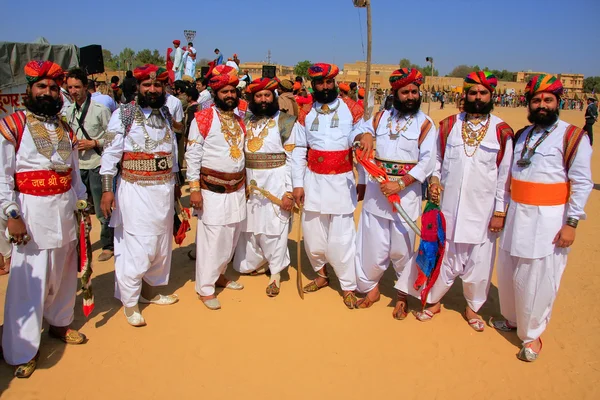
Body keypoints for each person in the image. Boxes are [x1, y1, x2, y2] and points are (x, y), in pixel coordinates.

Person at [493, 75, 592, 362]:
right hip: (516, 215)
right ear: (529, 103)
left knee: (538, 277)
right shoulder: (523, 135)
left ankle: (532, 334)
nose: (542, 104)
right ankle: (513, 320)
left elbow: (582, 182)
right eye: (536, 100)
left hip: (547, 221)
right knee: (510, 270)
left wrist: (571, 223)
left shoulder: (573, 136)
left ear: (558, 102)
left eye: (548, 99)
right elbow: (509, 177)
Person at [0, 60, 88, 378]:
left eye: (53, 87)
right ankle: (21, 348)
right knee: (29, 282)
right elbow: (2, 177)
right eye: (42, 86)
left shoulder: (64, 127)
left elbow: (74, 172)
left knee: (64, 275)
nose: (48, 92)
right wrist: (11, 215)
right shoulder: (13, 125)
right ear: (29, 90)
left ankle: (60, 323)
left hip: (64, 211)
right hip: (30, 213)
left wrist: (81, 203)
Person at [415, 72, 514, 331]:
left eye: (483, 93)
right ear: (465, 95)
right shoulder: (448, 126)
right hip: (449, 209)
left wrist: (500, 212)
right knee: (444, 257)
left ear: (492, 96)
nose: (478, 97)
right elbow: (436, 161)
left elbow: (505, 176)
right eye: (473, 93)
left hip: (483, 212)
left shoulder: (502, 131)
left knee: (479, 264)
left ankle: (472, 309)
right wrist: (434, 180)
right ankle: (434, 301)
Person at [100, 64, 180, 327]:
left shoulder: (166, 112)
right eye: (148, 85)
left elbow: (172, 153)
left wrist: (177, 186)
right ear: (138, 87)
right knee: (137, 245)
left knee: (159, 244)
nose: (153, 89)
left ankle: (149, 292)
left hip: (164, 191)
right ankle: (130, 302)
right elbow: (111, 153)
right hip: (134, 191)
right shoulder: (124, 113)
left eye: (158, 85)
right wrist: (108, 190)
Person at [354, 68, 437, 316]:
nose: (410, 95)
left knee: (402, 249)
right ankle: (371, 289)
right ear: (395, 93)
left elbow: (428, 162)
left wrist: (400, 184)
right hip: (376, 195)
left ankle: (403, 295)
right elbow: (354, 135)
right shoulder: (379, 118)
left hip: (405, 196)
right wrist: (365, 134)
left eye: (414, 91)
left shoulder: (425, 124)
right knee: (373, 245)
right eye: (405, 91)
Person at [291, 63, 373, 309]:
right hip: (313, 182)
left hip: (342, 183)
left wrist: (363, 179)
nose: (324, 87)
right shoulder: (305, 112)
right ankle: (322, 275)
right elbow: (298, 150)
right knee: (314, 238)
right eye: (319, 83)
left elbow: (361, 141)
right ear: (313, 85)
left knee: (342, 239)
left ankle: (348, 286)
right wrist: (297, 184)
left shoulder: (353, 109)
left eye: (328, 82)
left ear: (335, 82)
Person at [185, 65, 245, 310]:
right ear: (215, 93)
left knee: (231, 234)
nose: (229, 95)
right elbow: (192, 154)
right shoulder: (203, 117)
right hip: (211, 188)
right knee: (213, 238)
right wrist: (194, 189)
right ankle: (205, 288)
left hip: (237, 188)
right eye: (224, 92)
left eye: (232, 91)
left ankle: (219, 274)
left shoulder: (240, 118)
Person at [233, 77, 298, 296]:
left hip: (277, 183)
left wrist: (289, 190)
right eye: (258, 96)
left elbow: (293, 158)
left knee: (274, 228)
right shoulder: (247, 120)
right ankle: (257, 262)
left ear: (274, 97)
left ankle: (276, 273)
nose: (262, 100)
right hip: (251, 183)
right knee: (251, 228)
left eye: (267, 96)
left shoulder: (286, 121)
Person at [65, 68, 115, 262]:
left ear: (86, 87)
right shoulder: (67, 111)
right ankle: (80, 245)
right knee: (78, 209)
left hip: (96, 164)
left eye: (77, 87)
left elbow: (113, 137)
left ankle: (107, 245)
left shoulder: (100, 110)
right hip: (77, 166)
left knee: (103, 208)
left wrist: (94, 143)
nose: (73, 91)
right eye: (70, 87)